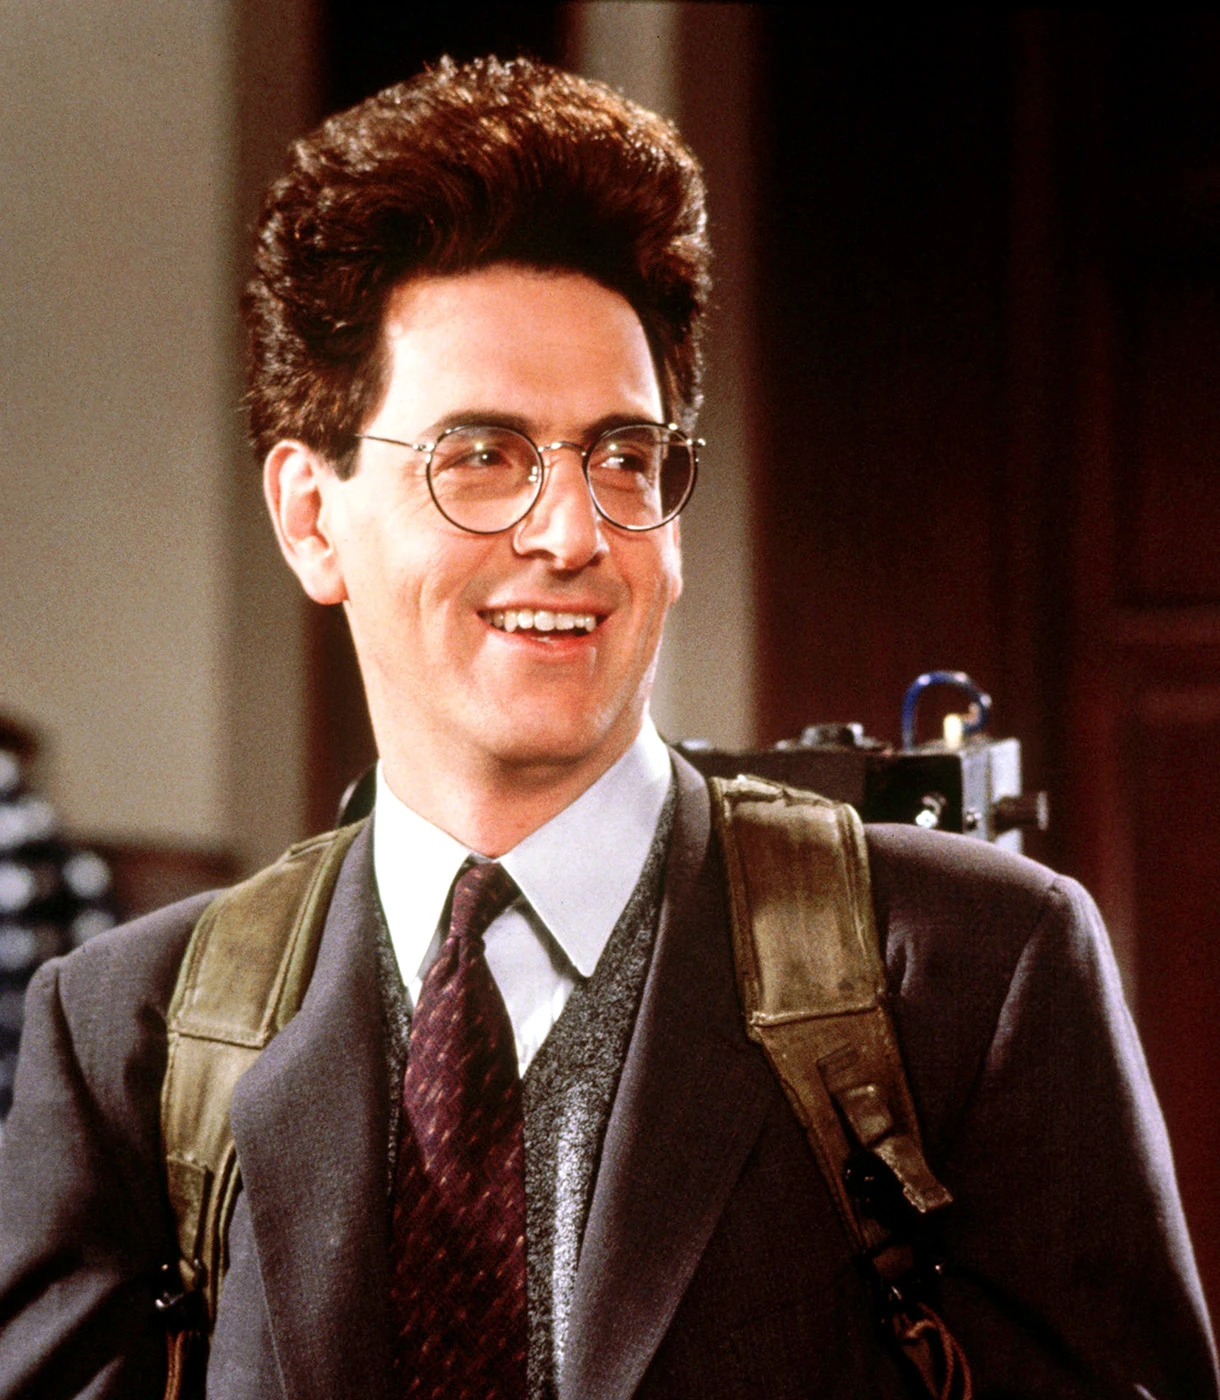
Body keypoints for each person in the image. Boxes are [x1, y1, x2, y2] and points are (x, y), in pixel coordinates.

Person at [0, 55, 1216, 1400]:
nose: (575, 533)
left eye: (625, 457)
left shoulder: (978, 975)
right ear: (309, 517)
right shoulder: (126, 1040)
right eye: (482, 456)